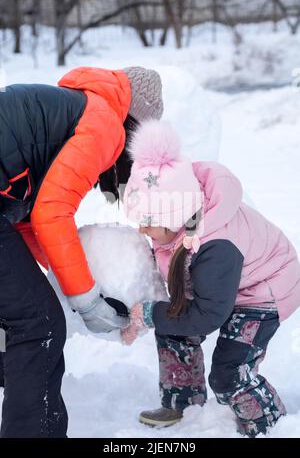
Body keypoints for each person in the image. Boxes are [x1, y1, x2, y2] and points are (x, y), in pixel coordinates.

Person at [0, 66, 163, 437]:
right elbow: (51, 211)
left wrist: (69, 278)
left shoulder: (67, 110)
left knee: (23, 315)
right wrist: (88, 301)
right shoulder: (105, 123)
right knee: (38, 324)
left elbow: (27, 215)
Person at [121, 120, 300, 437]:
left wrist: (149, 313)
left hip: (263, 290)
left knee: (229, 373)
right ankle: (184, 401)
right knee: (172, 327)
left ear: (173, 216)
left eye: (147, 221)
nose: (141, 230)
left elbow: (206, 316)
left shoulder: (215, 246)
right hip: (219, 285)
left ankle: (268, 423)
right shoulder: (177, 222)